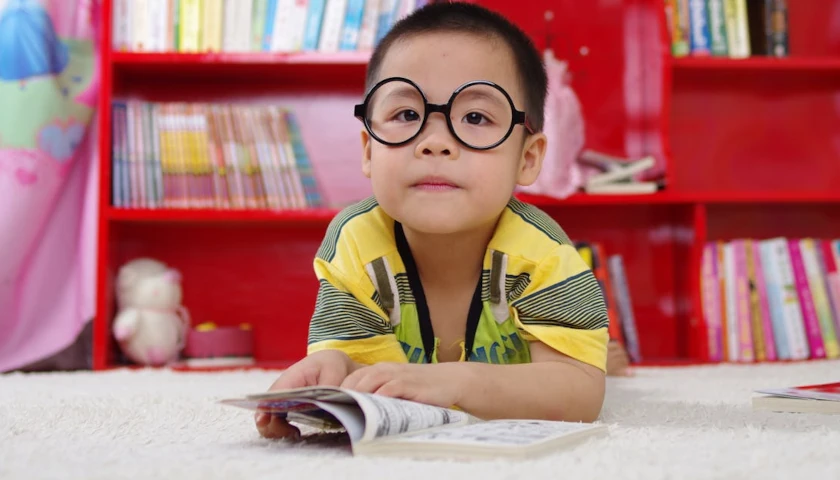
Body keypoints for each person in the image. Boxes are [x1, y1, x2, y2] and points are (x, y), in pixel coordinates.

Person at [256, 2, 610, 440]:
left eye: (476, 117)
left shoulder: (544, 253)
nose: (436, 142)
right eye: (407, 115)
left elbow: (581, 391)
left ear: (528, 158)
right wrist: (334, 369)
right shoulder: (355, 242)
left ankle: (608, 350)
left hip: (527, 369)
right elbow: (365, 367)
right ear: (368, 150)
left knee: (599, 360)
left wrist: (455, 381)